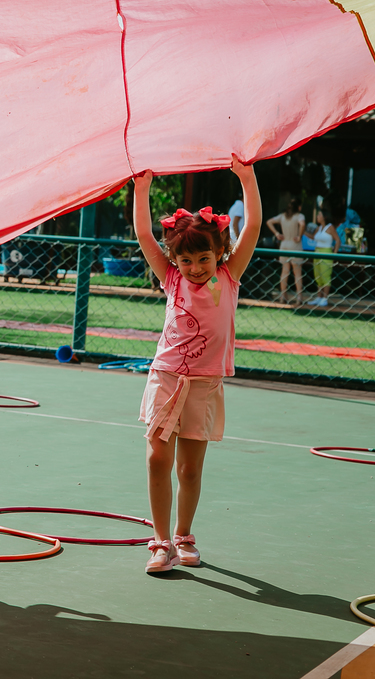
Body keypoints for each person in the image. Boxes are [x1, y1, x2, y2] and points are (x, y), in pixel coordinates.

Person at [132, 156, 260, 573]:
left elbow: (253, 226)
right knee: (156, 459)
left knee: (189, 467)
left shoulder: (229, 276)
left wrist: (246, 175)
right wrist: (142, 187)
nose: (195, 267)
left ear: (220, 252)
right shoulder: (171, 278)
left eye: (203, 258)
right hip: (167, 377)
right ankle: (160, 541)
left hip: (204, 384)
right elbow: (144, 236)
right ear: (176, 261)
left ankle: (184, 536)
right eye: (186, 261)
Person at [266, 198, 305, 304]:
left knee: (284, 272)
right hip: (295, 245)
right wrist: (299, 236)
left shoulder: (283, 216)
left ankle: (283, 296)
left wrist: (276, 234)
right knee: (297, 273)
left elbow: (269, 222)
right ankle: (299, 297)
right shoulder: (299, 216)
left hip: (284, 245)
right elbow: (302, 224)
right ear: (299, 207)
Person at [309, 206, 341, 307]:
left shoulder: (330, 227)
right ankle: (319, 297)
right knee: (318, 276)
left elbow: (338, 241)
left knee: (325, 275)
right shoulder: (318, 228)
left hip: (326, 253)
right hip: (317, 252)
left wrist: (334, 254)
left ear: (325, 217)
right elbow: (314, 238)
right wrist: (301, 232)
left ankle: (324, 298)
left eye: (319, 215)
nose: (317, 216)